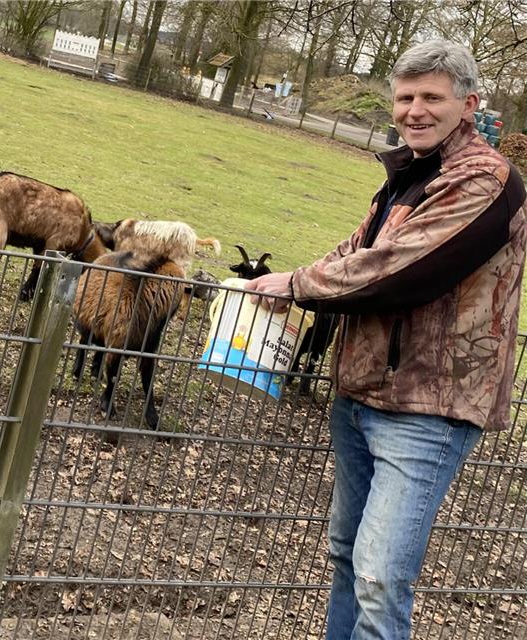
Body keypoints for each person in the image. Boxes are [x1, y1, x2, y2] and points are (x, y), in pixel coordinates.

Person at [246, 40, 526, 639]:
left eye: (431, 97)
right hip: (362, 395)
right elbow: (356, 251)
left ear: (469, 104)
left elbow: (399, 269)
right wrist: (287, 280)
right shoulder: (408, 175)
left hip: (427, 407)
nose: (414, 110)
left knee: (379, 578)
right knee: (348, 559)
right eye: (404, 97)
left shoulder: (486, 181)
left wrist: (297, 285)